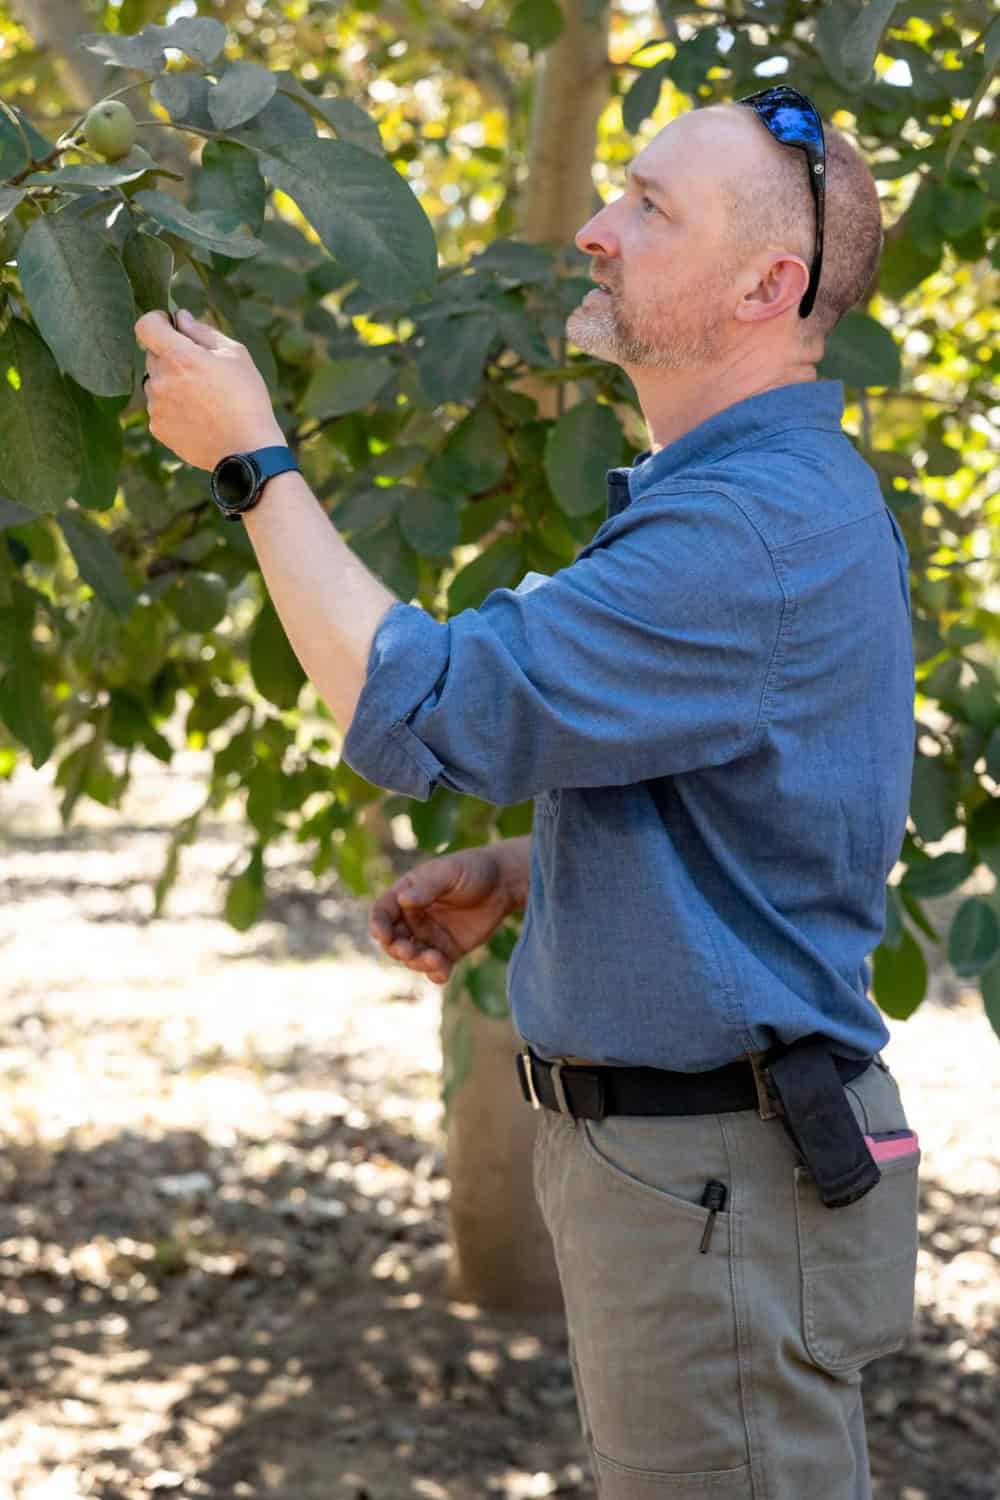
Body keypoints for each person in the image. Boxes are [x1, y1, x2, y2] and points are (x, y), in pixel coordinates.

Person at [136, 85, 920, 1500]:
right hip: (696, 1180)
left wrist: (253, 466)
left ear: (768, 285)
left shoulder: (747, 525)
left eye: (648, 207)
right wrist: (526, 864)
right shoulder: (746, 491)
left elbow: (427, 703)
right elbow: (770, 793)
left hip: (717, 1186)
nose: (593, 230)